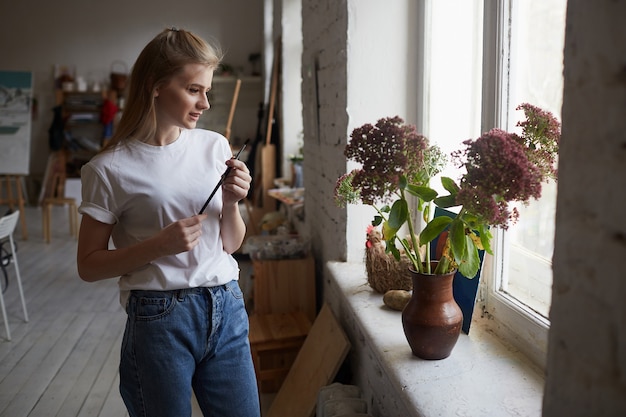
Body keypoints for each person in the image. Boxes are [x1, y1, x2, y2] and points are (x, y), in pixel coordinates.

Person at [76, 28, 260, 417]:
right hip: (159, 320)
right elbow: (88, 266)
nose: (205, 103)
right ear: (155, 87)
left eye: (207, 91)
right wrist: (157, 246)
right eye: (194, 90)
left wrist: (232, 202)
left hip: (226, 306)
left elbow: (231, 244)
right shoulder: (108, 169)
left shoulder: (214, 146)